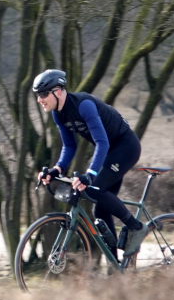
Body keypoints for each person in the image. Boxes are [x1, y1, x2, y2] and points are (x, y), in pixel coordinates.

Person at [32, 69, 147, 258]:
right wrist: (57, 169)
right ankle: (115, 269)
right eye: (38, 95)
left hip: (125, 147)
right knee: (100, 209)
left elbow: (102, 142)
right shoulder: (58, 114)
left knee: (94, 189)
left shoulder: (84, 105)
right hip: (109, 152)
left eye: (44, 94)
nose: (40, 99)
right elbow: (69, 145)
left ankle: (136, 227)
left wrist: (90, 174)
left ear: (58, 92)